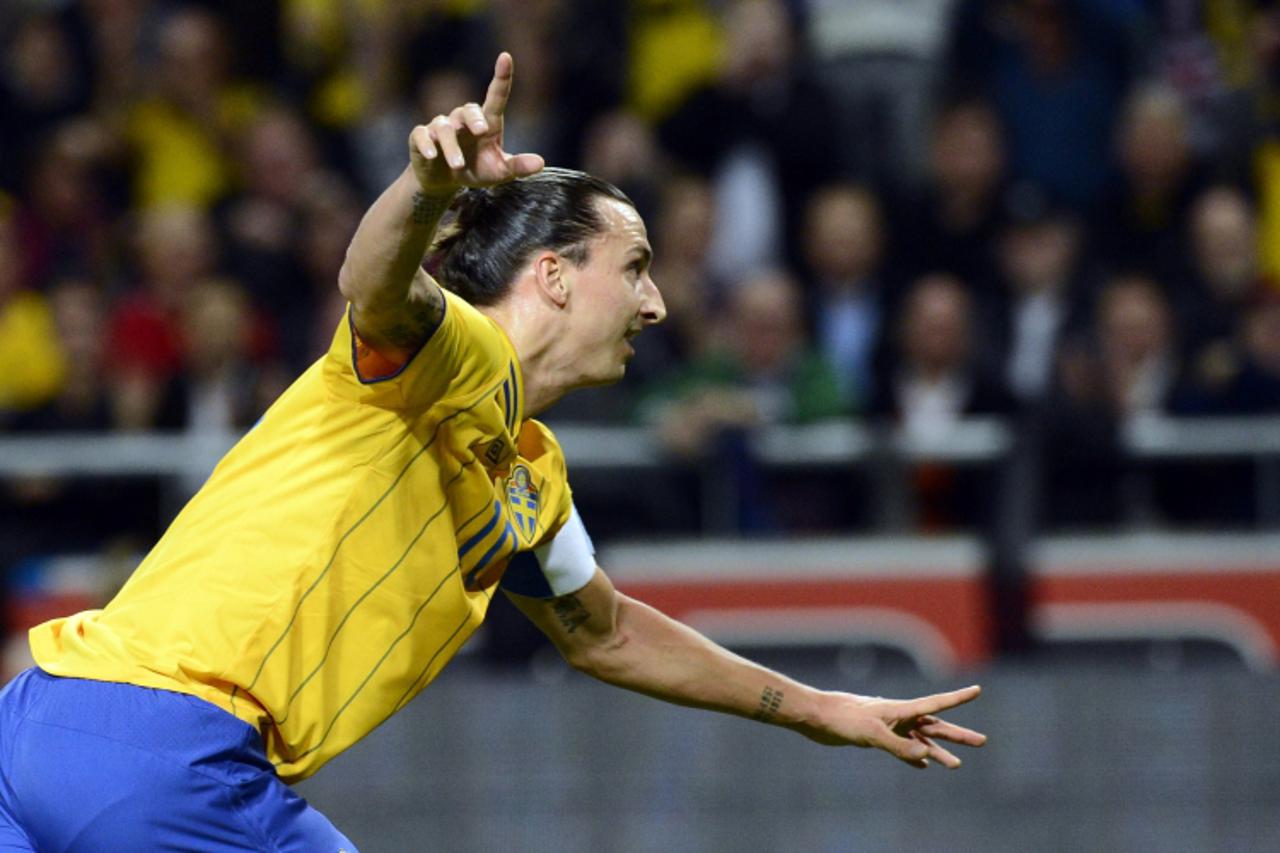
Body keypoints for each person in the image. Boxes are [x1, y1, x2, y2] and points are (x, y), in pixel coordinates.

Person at [0, 53, 986, 849]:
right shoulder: (454, 348)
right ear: (552, 276)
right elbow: (372, 282)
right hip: (166, 747)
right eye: (634, 267)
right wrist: (422, 187)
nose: (656, 304)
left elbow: (605, 633)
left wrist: (818, 708)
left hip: (41, 723)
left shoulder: (530, 475)